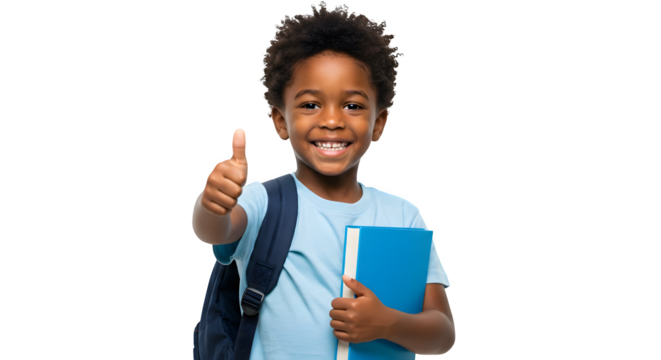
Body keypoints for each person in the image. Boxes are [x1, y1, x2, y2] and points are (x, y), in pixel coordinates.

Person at [191, 2, 453, 358]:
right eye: (311, 105)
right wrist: (211, 203)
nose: (332, 120)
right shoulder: (262, 201)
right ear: (280, 121)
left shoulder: (403, 216)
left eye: (353, 106)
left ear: (379, 124)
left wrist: (389, 324)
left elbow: (442, 335)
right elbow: (213, 230)